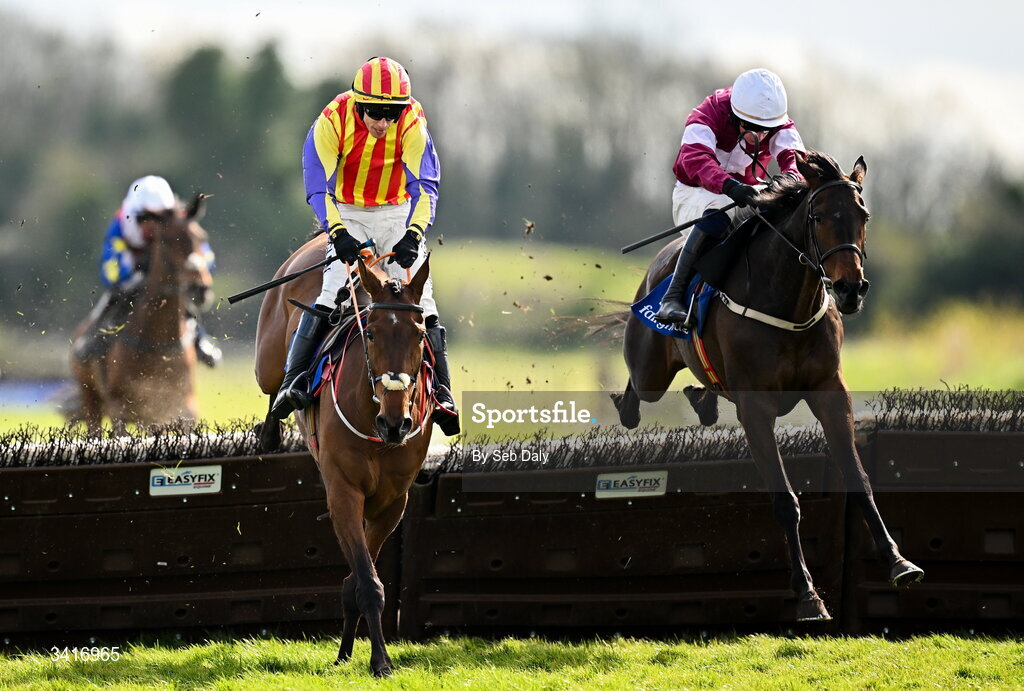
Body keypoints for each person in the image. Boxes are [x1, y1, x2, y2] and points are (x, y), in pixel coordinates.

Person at [271, 56, 460, 435]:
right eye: (375, 112)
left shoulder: (413, 122)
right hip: (348, 211)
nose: (384, 122)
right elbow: (316, 186)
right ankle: (293, 383)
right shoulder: (331, 120)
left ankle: (442, 392)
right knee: (332, 291)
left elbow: (426, 185)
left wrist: (414, 233)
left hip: (397, 213)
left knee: (423, 303)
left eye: (392, 113)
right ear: (358, 103)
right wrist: (338, 232)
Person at [656, 68, 806, 327]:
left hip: (745, 194)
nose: (760, 137)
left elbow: (797, 161)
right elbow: (695, 160)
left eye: (767, 130)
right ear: (736, 117)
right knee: (721, 208)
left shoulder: (776, 122)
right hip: (694, 194)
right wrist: (729, 186)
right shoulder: (708, 114)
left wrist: (790, 179)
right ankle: (673, 296)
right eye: (755, 129)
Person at [73, 175, 222, 367]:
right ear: (135, 213)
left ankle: (200, 338)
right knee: (116, 297)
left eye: (161, 217)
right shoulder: (120, 227)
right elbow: (110, 270)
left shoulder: (180, 222)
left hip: (167, 272)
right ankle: (94, 336)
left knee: (181, 299)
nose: (155, 224)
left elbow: (204, 255)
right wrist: (131, 277)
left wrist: (196, 270)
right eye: (148, 218)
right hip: (133, 270)